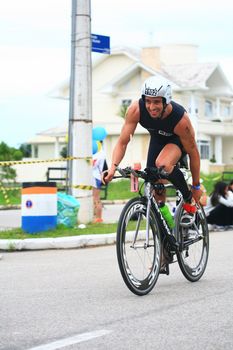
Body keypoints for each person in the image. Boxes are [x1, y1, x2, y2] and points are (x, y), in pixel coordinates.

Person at [103, 76, 202, 214]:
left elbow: (193, 152)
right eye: (148, 101)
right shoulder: (135, 110)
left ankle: (188, 197)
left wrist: (196, 187)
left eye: (156, 102)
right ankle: (165, 228)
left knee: (162, 163)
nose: (151, 107)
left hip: (178, 141)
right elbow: (122, 142)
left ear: (166, 101)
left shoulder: (181, 120)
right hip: (157, 140)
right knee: (153, 181)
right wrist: (113, 168)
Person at [92, 141, 106, 223]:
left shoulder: (99, 153)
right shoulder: (100, 152)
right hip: (96, 177)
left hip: (96, 177)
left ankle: (98, 218)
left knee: (96, 198)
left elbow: (93, 164)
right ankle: (96, 217)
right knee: (95, 198)